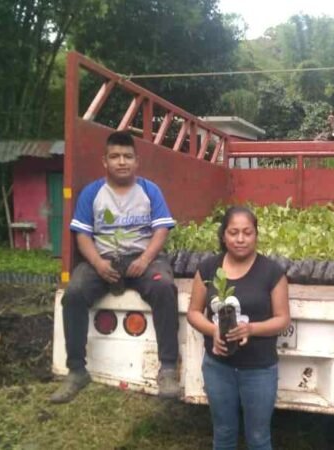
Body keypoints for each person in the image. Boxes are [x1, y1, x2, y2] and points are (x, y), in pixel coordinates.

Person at [50, 130, 180, 403]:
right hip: (103, 261)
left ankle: (168, 369)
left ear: (137, 161)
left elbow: (161, 231)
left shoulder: (149, 190)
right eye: (115, 156)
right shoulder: (92, 193)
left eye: (127, 156)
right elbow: (82, 235)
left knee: (165, 287)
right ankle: (76, 371)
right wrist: (97, 263)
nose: (122, 162)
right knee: (73, 294)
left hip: (143, 259)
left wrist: (144, 260)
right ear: (105, 161)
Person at [187, 206, 290, 450]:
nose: (240, 239)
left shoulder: (271, 272)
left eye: (247, 232)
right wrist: (213, 331)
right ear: (224, 235)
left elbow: (283, 319)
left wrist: (250, 329)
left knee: (258, 436)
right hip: (218, 367)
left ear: (256, 235)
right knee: (223, 432)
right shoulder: (209, 269)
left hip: (259, 369)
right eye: (234, 232)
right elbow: (193, 312)